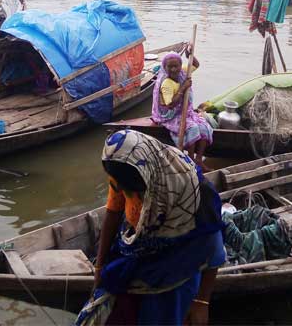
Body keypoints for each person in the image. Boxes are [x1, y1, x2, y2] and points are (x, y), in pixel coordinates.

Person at [75, 129, 225, 325]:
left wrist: (201, 302)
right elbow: (113, 213)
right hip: (136, 255)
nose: (121, 191)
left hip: (178, 274)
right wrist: (99, 266)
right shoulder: (123, 165)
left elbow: (214, 249)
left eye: (132, 190)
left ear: (147, 177)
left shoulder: (193, 190)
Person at [152, 49, 213, 171]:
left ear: (180, 65)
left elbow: (195, 65)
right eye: (170, 67)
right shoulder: (166, 83)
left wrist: (190, 54)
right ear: (165, 67)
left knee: (204, 126)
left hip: (184, 111)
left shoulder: (182, 73)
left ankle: (199, 160)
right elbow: (170, 105)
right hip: (170, 115)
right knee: (192, 128)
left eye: (176, 66)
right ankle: (190, 162)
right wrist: (183, 88)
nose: (173, 69)